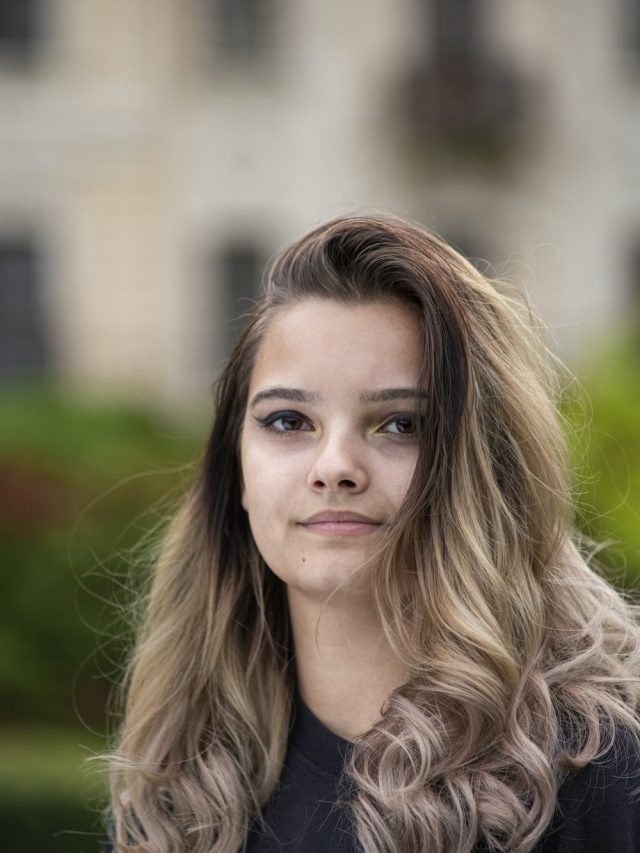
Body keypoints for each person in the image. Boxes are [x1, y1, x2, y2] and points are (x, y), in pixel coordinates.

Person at [105, 215, 640, 852]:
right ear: (236, 470)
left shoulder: (602, 773)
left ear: (486, 466)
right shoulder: (177, 788)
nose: (334, 467)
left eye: (400, 424)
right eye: (287, 421)